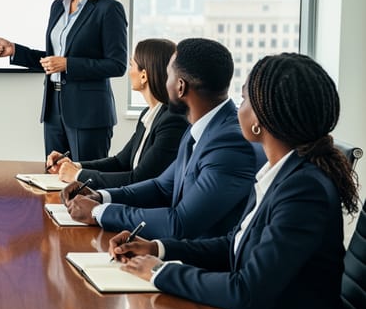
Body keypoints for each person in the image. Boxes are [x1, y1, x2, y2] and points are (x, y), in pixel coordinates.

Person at [112, 53, 359, 309]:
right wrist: (159, 249)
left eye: (243, 100)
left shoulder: (303, 190)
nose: (236, 108)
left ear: (260, 120)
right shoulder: (281, 173)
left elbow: (247, 290)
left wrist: (160, 273)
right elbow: (235, 243)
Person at [63, 38, 261, 239]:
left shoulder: (229, 144)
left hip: (199, 262)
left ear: (180, 86)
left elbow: (180, 223)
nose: (165, 83)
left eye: (168, 76)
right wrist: (101, 197)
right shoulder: (199, 129)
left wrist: (98, 212)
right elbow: (161, 187)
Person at [0, 0, 127, 161]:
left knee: (82, 183)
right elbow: (51, 60)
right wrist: (14, 51)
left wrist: (68, 64)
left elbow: (117, 65)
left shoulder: (109, 9)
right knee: (53, 179)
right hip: (54, 110)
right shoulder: (58, 7)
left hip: (88, 114)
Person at [47, 38, 188, 188]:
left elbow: (139, 179)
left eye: (132, 65)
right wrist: (75, 165)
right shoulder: (149, 114)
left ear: (144, 76)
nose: (129, 71)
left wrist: (77, 176)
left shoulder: (172, 121)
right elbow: (120, 162)